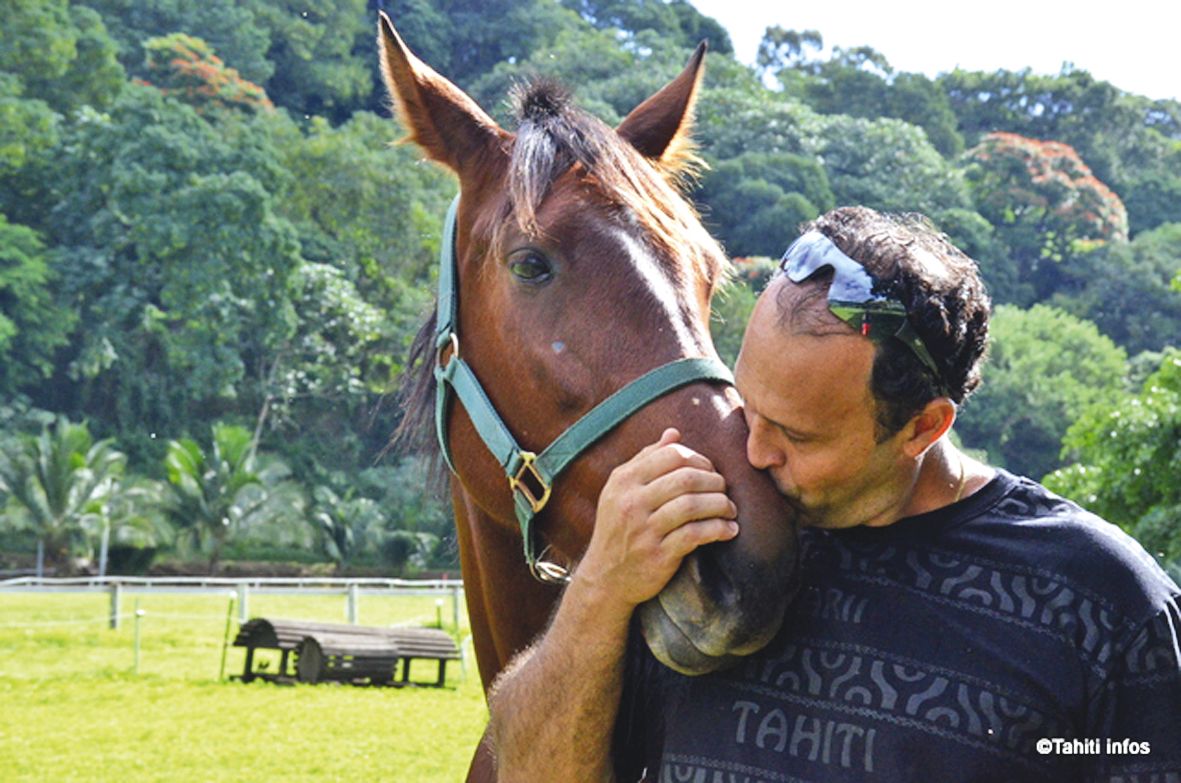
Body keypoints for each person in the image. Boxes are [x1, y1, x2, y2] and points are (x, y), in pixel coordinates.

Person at [486, 206, 1181, 782]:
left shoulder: (1100, 606)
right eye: (746, 404)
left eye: (796, 433)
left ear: (922, 426)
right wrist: (599, 588)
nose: (752, 453)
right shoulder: (705, 536)